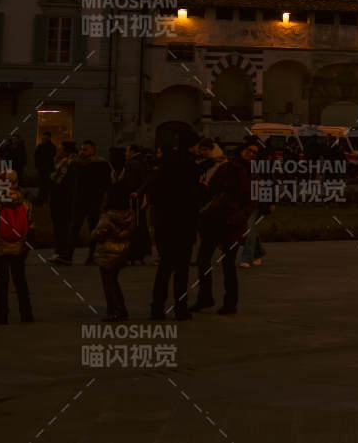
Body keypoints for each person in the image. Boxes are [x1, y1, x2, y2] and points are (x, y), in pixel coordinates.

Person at [194, 137, 256, 315]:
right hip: (215, 218)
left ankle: (230, 303)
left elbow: (252, 203)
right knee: (204, 259)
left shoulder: (254, 174)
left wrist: (237, 218)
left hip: (232, 222)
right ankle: (205, 297)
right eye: (249, 150)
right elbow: (212, 189)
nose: (251, 154)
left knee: (228, 264)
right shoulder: (226, 168)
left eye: (254, 152)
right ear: (242, 150)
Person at [147, 139, 201, 320]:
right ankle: (180, 307)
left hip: (165, 224)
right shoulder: (191, 169)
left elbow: (153, 196)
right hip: (184, 224)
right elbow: (196, 198)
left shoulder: (162, 171)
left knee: (165, 267)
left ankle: (157, 306)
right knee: (181, 270)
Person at [0, 169, 32, 324]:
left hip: (0, 248)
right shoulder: (25, 203)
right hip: (19, 248)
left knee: (2, 283)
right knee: (20, 281)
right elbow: (30, 225)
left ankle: (2, 314)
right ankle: (26, 313)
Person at [90, 186, 136, 321]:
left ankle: (115, 309)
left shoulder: (108, 216)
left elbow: (97, 234)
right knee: (114, 280)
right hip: (122, 250)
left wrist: (94, 235)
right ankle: (120, 308)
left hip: (108, 252)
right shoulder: (129, 215)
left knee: (109, 282)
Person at [67, 140, 113, 265]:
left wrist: (105, 199)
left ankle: (92, 256)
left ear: (93, 150)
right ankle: (68, 255)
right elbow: (70, 181)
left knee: (93, 229)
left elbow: (107, 183)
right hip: (79, 201)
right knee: (74, 227)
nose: (82, 152)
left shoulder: (101, 164)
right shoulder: (75, 163)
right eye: (82, 149)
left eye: (85, 149)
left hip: (94, 201)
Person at [33, 132, 57, 206]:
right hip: (43, 168)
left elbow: (51, 155)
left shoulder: (51, 146)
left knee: (45, 185)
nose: (44, 139)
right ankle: (42, 200)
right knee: (42, 185)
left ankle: (43, 200)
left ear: (49, 138)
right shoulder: (41, 146)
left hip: (47, 168)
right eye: (43, 138)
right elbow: (36, 155)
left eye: (45, 138)